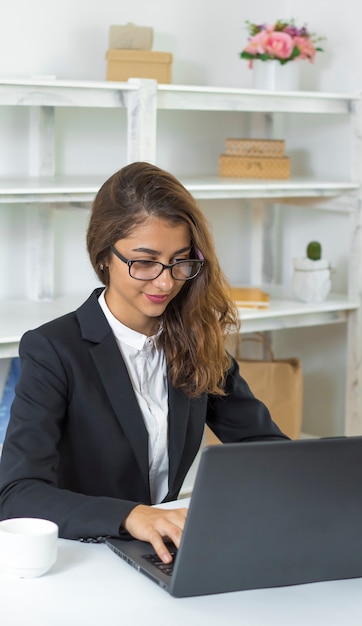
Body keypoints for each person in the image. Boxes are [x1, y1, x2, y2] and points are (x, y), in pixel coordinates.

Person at [0, 162, 288, 564]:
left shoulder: (195, 338)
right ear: (104, 258)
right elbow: (18, 492)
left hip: (162, 553)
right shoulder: (53, 350)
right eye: (145, 262)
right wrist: (131, 516)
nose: (166, 282)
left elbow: (264, 448)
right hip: (83, 556)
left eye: (180, 261)